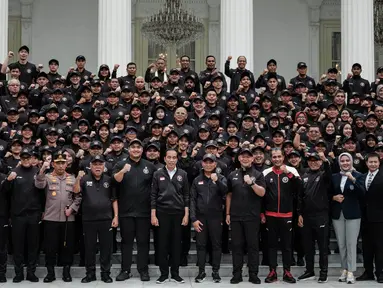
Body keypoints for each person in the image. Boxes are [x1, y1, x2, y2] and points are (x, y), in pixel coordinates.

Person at [113, 139, 156, 282]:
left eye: (138, 147)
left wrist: (153, 211)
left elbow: (155, 190)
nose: (136, 149)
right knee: (126, 242)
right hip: (126, 212)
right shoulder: (120, 164)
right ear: (128, 149)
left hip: (144, 212)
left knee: (143, 242)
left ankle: (143, 270)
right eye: (133, 147)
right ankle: (125, 270)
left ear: (142, 150)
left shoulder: (149, 166)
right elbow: (116, 181)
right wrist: (123, 171)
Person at [35, 152, 82, 283]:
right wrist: (42, 169)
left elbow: (78, 196)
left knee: (68, 247)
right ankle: (50, 273)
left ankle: (66, 272)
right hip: (51, 218)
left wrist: (72, 208)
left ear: (67, 164)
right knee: (50, 247)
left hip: (68, 219)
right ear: (53, 164)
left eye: (63, 163)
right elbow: (39, 185)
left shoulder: (72, 178)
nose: (61, 166)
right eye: (58, 163)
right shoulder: (48, 177)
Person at [73, 155, 118, 283]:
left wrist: (116, 217)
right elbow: (76, 191)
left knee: (106, 248)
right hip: (89, 219)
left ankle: (105, 274)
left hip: (106, 219)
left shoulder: (109, 180)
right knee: (89, 248)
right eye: (95, 164)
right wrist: (78, 177)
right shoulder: (84, 179)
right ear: (90, 166)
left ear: (104, 167)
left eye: (100, 164)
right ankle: (90, 274)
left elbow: (114, 199)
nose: (97, 167)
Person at [226, 148, 266, 284]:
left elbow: (262, 193)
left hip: (252, 217)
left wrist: (252, 183)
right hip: (236, 216)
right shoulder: (232, 175)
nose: (245, 159)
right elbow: (229, 195)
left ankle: (253, 274)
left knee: (253, 246)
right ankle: (237, 274)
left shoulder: (258, 174)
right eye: (242, 156)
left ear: (252, 159)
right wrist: (227, 213)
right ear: (239, 159)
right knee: (237, 246)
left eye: (248, 157)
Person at [151, 149, 189, 284]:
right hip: (162, 213)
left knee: (176, 245)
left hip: (178, 213)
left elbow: (186, 195)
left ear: (177, 159)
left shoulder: (183, 174)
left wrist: (186, 214)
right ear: (165, 158)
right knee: (162, 245)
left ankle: (175, 274)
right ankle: (163, 274)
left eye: (174, 157)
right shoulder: (157, 173)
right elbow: (153, 195)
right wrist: (153, 215)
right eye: (169, 157)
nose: (172, 160)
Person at [262, 148, 301, 284]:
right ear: (271, 158)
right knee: (271, 245)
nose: (277, 159)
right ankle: (272, 271)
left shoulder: (292, 171)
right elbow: (261, 195)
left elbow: (300, 188)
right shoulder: (266, 172)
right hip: (270, 215)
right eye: (274, 157)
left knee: (287, 245)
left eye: (279, 156)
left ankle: (287, 271)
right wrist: (262, 213)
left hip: (287, 214)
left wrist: (289, 174)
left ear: (283, 157)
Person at [3, 149, 41, 283]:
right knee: (18, 245)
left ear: (32, 158)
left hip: (33, 215)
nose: (26, 160)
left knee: (33, 245)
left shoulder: (37, 171)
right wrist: (8, 180)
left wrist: (41, 212)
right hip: (18, 215)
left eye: (28, 158)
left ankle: (31, 272)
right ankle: (18, 273)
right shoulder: (14, 172)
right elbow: (5, 192)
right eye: (23, 158)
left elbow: (42, 193)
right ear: (20, 159)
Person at [190, 153, 227, 283]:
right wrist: (193, 219)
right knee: (201, 245)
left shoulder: (221, 178)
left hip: (216, 218)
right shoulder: (196, 180)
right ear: (202, 164)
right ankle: (201, 272)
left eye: (211, 162)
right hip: (200, 218)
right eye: (206, 162)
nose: (208, 164)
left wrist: (216, 180)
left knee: (216, 245)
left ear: (215, 164)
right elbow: (193, 200)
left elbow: (225, 192)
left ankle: (215, 272)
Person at [330, 152, 364, 284]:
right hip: (338, 214)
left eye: (347, 161)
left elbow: (362, 193)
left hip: (353, 214)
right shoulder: (334, 177)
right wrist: (334, 198)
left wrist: (353, 179)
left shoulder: (358, 176)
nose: (345, 163)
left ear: (351, 162)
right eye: (342, 161)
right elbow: (329, 193)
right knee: (342, 244)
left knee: (351, 244)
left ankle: (351, 271)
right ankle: (344, 268)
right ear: (339, 163)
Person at [297, 152, 332, 283]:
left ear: (320, 162)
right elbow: (300, 197)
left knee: (323, 246)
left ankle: (324, 272)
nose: (313, 162)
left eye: (315, 160)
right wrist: (299, 213)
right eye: (310, 160)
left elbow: (329, 174)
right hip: (306, 216)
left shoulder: (323, 175)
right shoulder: (304, 176)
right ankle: (309, 270)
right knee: (308, 246)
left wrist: (326, 161)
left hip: (321, 215)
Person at [357, 152, 383, 283]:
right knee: (367, 247)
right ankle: (368, 272)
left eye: (375, 162)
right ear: (366, 163)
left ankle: (380, 273)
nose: (373, 164)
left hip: (379, 219)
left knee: (380, 247)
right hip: (365, 218)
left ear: (379, 163)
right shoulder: (363, 177)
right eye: (370, 162)